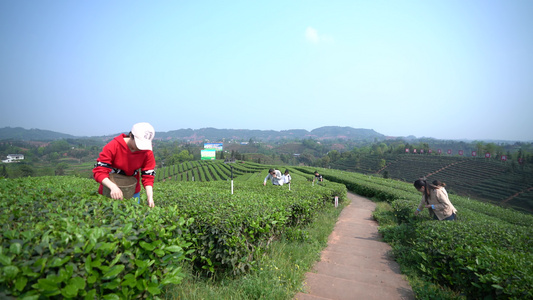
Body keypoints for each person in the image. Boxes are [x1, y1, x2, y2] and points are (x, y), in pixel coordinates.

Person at [93, 122, 156, 207]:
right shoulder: (114, 146)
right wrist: (112, 187)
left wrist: (150, 196)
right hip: (110, 189)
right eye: (138, 144)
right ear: (131, 136)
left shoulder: (147, 151)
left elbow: (148, 176)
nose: (140, 148)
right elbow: (99, 171)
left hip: (132, 190)